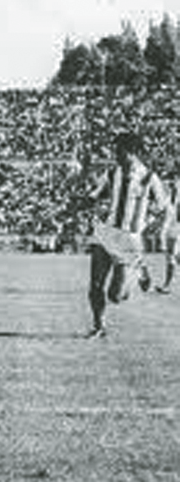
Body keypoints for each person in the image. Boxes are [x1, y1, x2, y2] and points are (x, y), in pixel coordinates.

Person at [85, 132, 167, 339]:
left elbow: (163, 209)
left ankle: (138, 269)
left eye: (120, 151)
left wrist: (148, 227)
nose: (116, 156)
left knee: (116, 296)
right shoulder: (113, 173)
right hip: (106, 233)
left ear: (133, 152)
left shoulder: (149, 178)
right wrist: (89, 197)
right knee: (95, 284)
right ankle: (99, 326)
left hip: (129, 239)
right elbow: (96, 194)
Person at [156, 173, 180, 294]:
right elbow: (164, 211)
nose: (171, 182)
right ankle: (167, 284)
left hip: (176, 228)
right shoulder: (169, 195)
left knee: (171, 256)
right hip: (171, 228)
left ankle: (167, 285)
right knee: (173, 257)